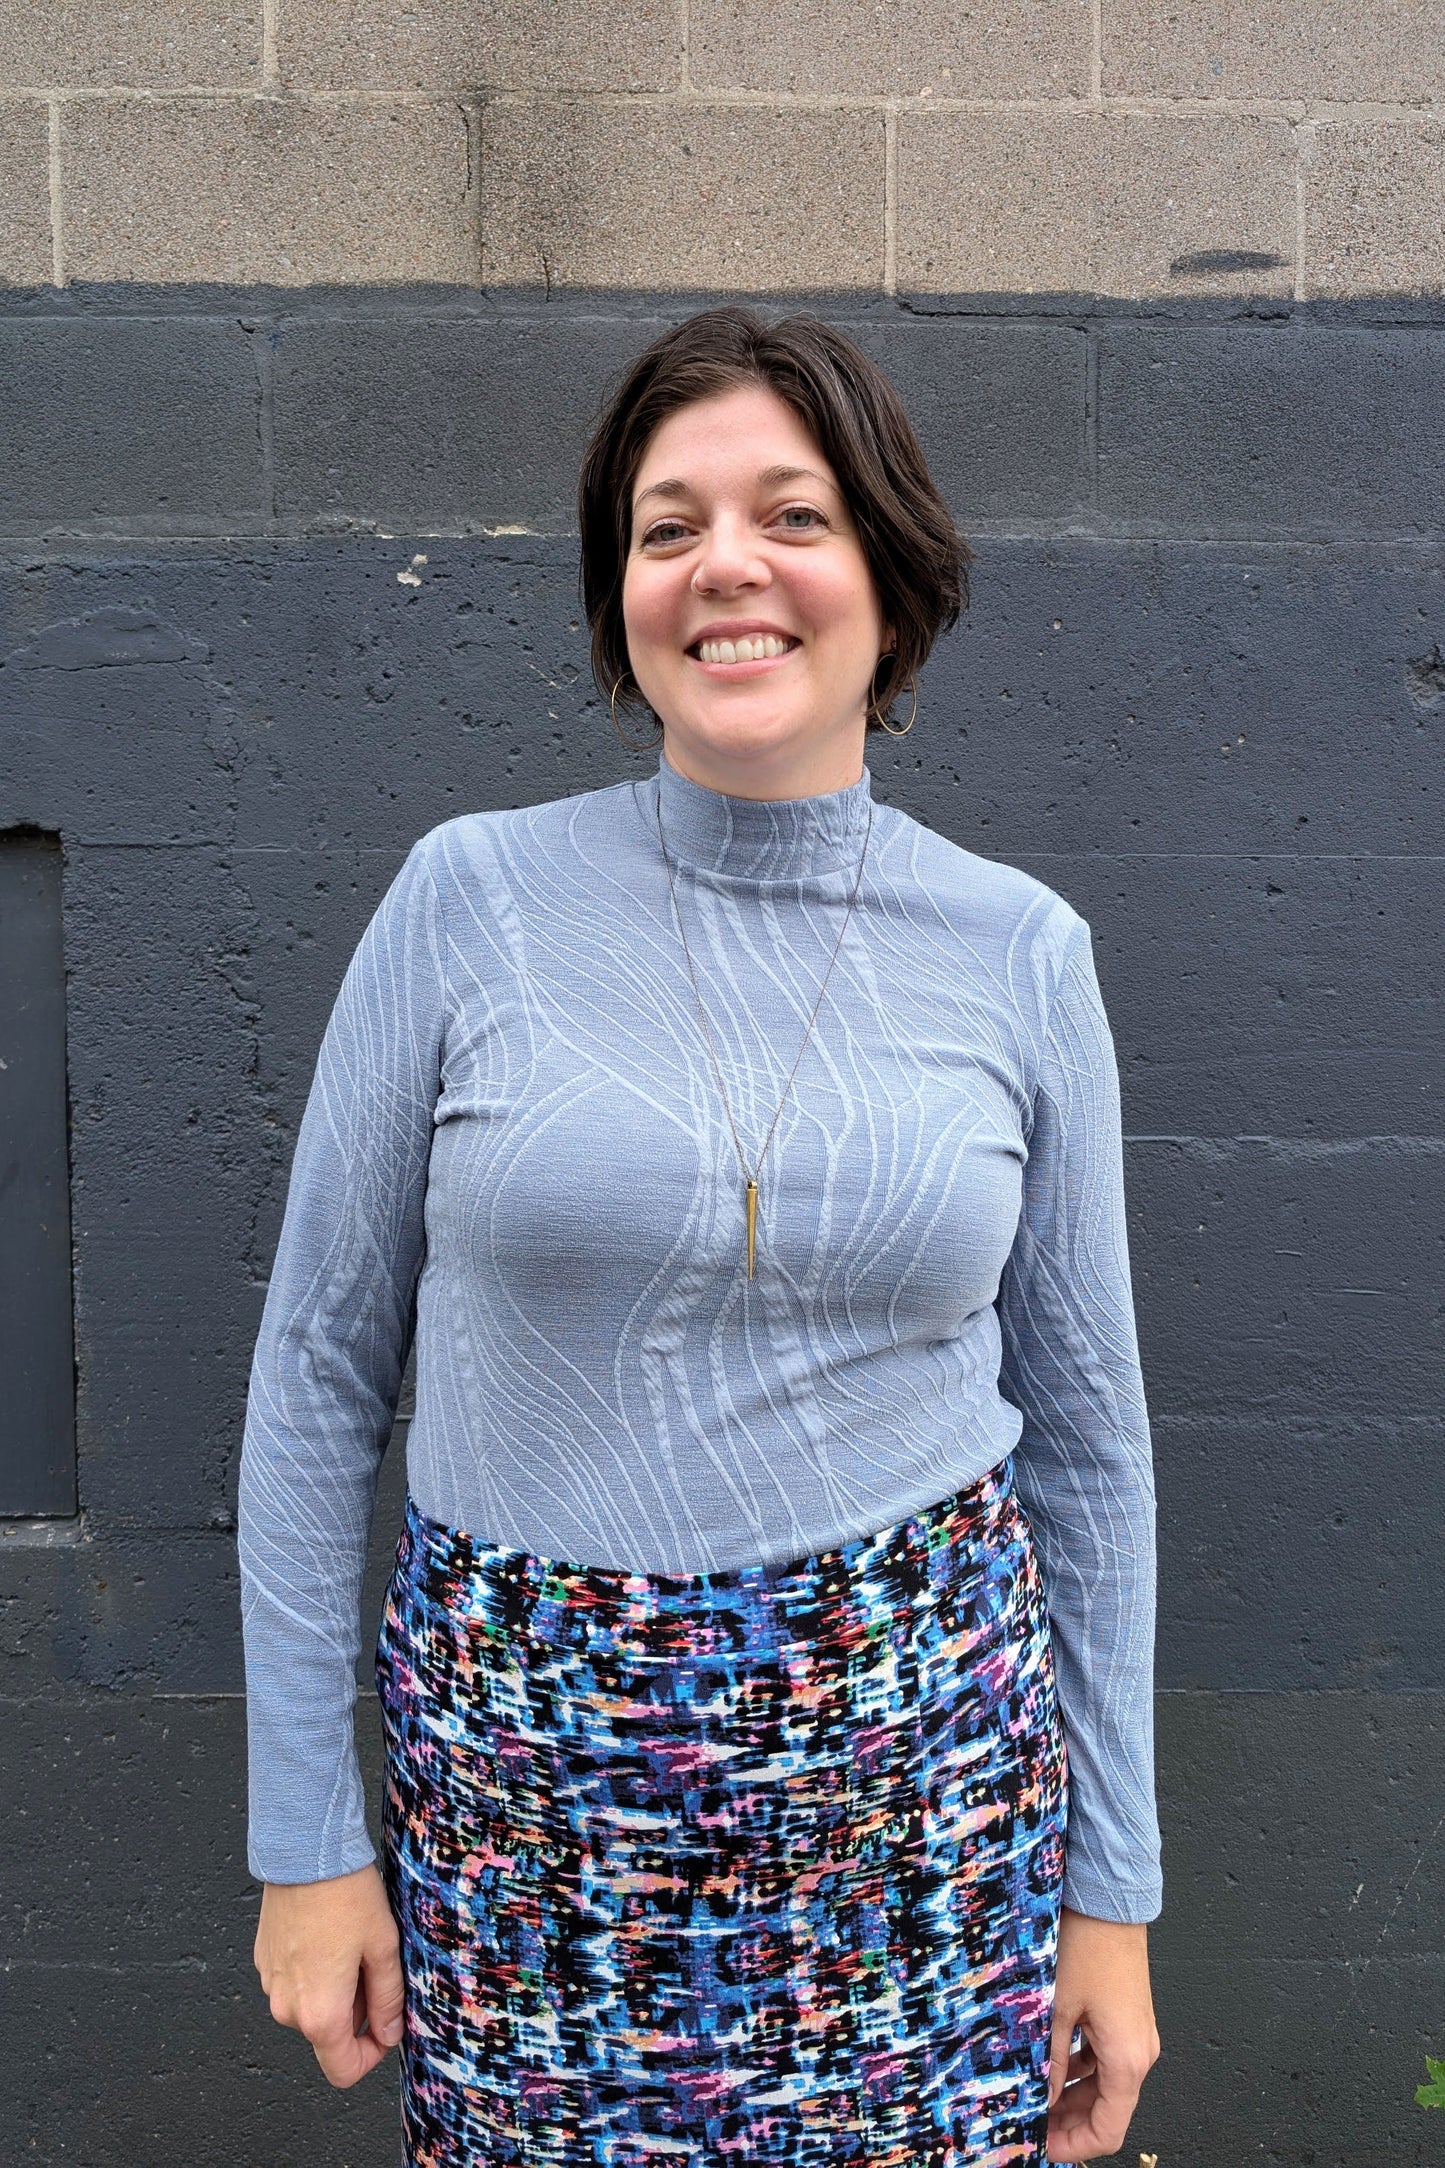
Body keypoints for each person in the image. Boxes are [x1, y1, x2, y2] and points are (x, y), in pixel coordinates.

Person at [241, 304, 1163, 2168]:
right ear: (621, 599)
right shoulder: (466, 899)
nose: (726, 567)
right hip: (528, 1794)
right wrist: (305, 1843)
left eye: (790, 516)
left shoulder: (1021, 954)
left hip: (915, 1793)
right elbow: (318, 1372)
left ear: (886, 577)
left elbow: (1089, 1447)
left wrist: (1110, 1900)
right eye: (667, 529)